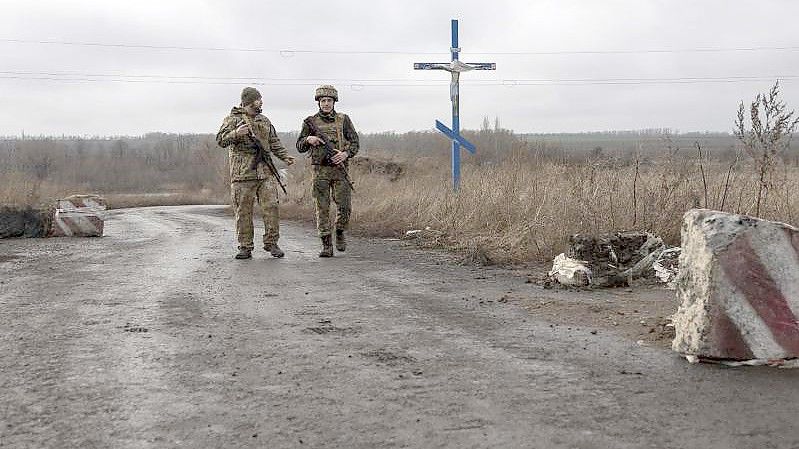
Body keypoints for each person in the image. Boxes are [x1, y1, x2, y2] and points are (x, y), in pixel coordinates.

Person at [216, 87, 295, 260]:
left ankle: (272, 243)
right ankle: (245, 247)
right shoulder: (233, 119)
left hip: (265, 172)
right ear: (250, 101)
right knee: (243, 211)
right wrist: (236, 133)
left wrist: (285, 156)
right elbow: (221, 139)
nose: (261, 102)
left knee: (272, 207)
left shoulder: (264, 120)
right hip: (243, 174)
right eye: (258, 99)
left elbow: (274, 142)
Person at [296, 85, 359, 257]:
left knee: (344, 206)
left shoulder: (343, 120)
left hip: (340, 170)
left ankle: (339, 232)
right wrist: (308, 139)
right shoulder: (310, 122)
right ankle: (326, 244)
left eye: (329, 101)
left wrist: (345, 154)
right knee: (322, 208)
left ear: (334, 102)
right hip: (320, 171)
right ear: (318, 102)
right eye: (323, 101)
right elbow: (299, 146)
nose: (326, 104)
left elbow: (355, 143)